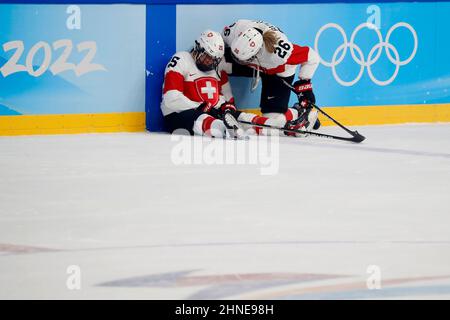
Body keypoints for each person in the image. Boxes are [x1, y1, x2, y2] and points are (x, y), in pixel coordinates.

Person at [160, 29, 289, 139]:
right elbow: (171, 98)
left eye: (214, 60)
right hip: (178, 114)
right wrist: (201, 107)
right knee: (202, 118)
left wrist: (226, 107)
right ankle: (227, 131)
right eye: (207, 57)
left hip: (208, 110)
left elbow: (222, 99)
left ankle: (281, 126)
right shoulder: (181, 59)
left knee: (240, 116)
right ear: (198, 47)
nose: (209, 62)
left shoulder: (215, 68)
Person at [221, 19, 321, 132]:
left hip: (279, 70)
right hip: (253, 65)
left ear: (257, 51)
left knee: (270, 122)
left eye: (241, 59)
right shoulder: (234, 30)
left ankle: (297, 111)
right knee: (220, 63)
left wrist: (304, 83)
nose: (237, 60)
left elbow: (312, 57)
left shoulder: (280, 52)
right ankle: (226, 107)